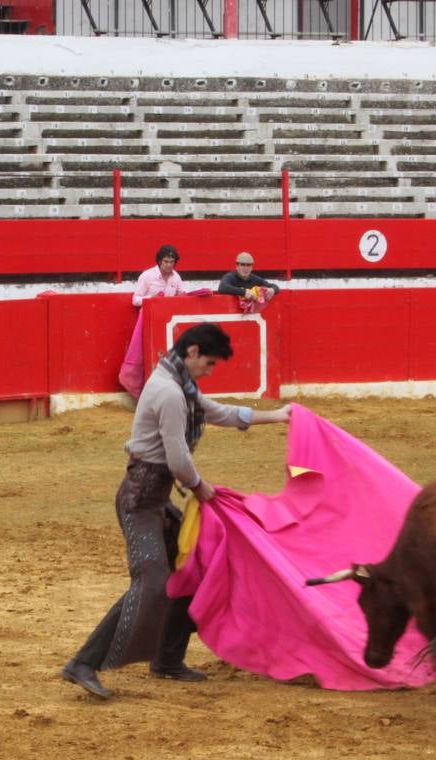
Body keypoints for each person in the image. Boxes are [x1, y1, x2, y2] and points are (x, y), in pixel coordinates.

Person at [61, 322, 292, 700]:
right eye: (211, 364)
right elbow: (178, 459)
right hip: (139, 503)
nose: (210, 371)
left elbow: (218, 412)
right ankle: (83, 663)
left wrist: (276, 416)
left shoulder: (179, 385)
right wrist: (202, 490)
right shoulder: (169, 392)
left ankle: (167, 659)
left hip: (157, 500)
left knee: (191, 570)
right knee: (151, 581)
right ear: (193, 352)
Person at [119, 244, 187, 396]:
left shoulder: (176, 277)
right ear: (159, 261)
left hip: (169, 325)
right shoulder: (147, 276)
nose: (169, 265)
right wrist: (152, 300)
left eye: (172, 261)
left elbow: (183, 297)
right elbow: (135, 300)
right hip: (149, 323)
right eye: (166, 261)